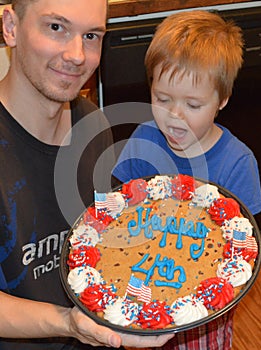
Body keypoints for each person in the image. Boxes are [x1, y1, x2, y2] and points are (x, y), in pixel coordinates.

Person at [0, 0, 175, 349]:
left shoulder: (93, 125)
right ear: (10, 26)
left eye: (91, 35)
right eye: (56, 28)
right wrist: (69, 322)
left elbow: (103, 241)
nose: (78, 55)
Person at [112, 10, 261, 350]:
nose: (173, 117)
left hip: (205, 312)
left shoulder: (237, 162)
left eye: (192, 104)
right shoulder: (141, 142)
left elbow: (244, 248)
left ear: (221, 100)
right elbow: (121, 212)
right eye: (162, 99)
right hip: (143, 293)